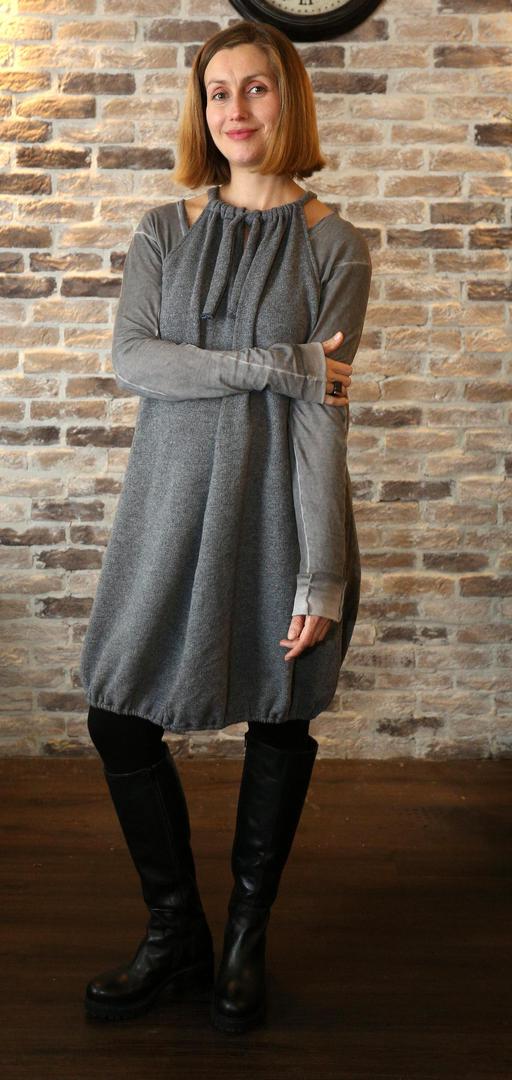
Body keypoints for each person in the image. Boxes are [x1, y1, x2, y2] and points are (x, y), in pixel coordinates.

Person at [80, 19, 372, 1035]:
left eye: (255, 88)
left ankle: (245, 936)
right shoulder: (165, 230)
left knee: (280, 714)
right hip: (166, 503)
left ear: (288, 100)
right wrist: (283, 365)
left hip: (280, 508)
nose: (235, 109)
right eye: (217, 91)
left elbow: (320, 422)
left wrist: (322, 576)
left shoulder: (335, 244)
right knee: (117, 713)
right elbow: (137, 360)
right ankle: (176, 934)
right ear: (199, 109)